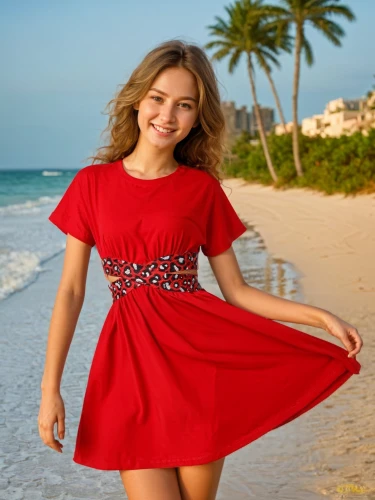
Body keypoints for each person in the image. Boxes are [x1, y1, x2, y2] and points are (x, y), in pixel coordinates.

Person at [38, 39, 363, 500]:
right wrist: (50, 390)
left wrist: (320, 318)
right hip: (130, 371)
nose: (167, 115)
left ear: (197, 117)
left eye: (184, 105)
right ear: (137, 100)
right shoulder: (92, 184)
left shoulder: (201, 189)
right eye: (158, 98)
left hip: (199, 368)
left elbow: (238, 291)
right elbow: (70, 292)